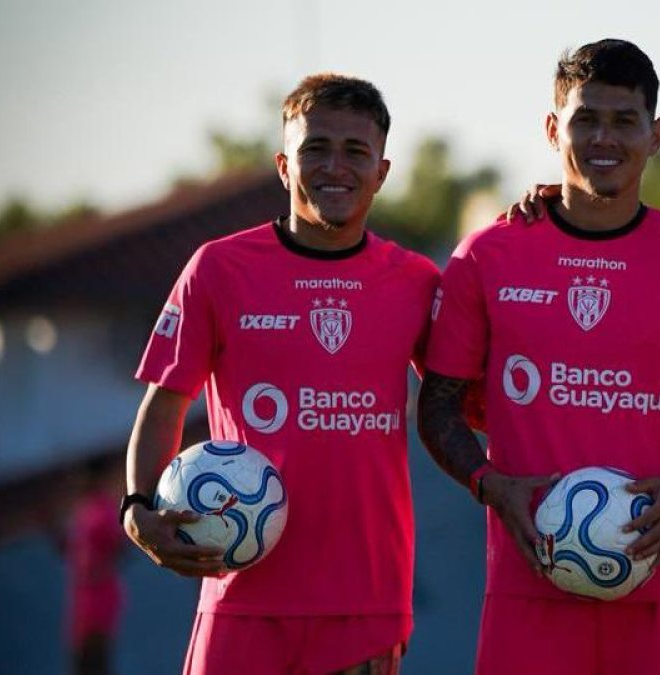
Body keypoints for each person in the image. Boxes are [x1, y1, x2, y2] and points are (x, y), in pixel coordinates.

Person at [417, 39, 660, 675]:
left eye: (624, 121)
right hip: (529, 584)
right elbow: (437, 408)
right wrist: (492, 486)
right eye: (585, 119)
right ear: (554, 128)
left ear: (654, 135)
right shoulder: (485, 257)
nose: (605, 138)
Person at [122, 74, 439, 674]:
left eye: (355, 152)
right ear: (283, 165)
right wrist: (137, 506)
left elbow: (463, 402)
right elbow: (165, 403)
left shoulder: (417, 281)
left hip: (363, 600)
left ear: (383, 170)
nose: (335, 166)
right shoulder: (218, 268)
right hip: (240, 586)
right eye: (315, 148)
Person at [59, 455, 126, 675]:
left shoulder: (104, 509)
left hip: (100, 595)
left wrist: (100, 570)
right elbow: (74, 549)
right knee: (80, 662)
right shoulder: (83, 508)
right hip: (81, 595)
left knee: (96, 660)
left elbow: (120, 547)